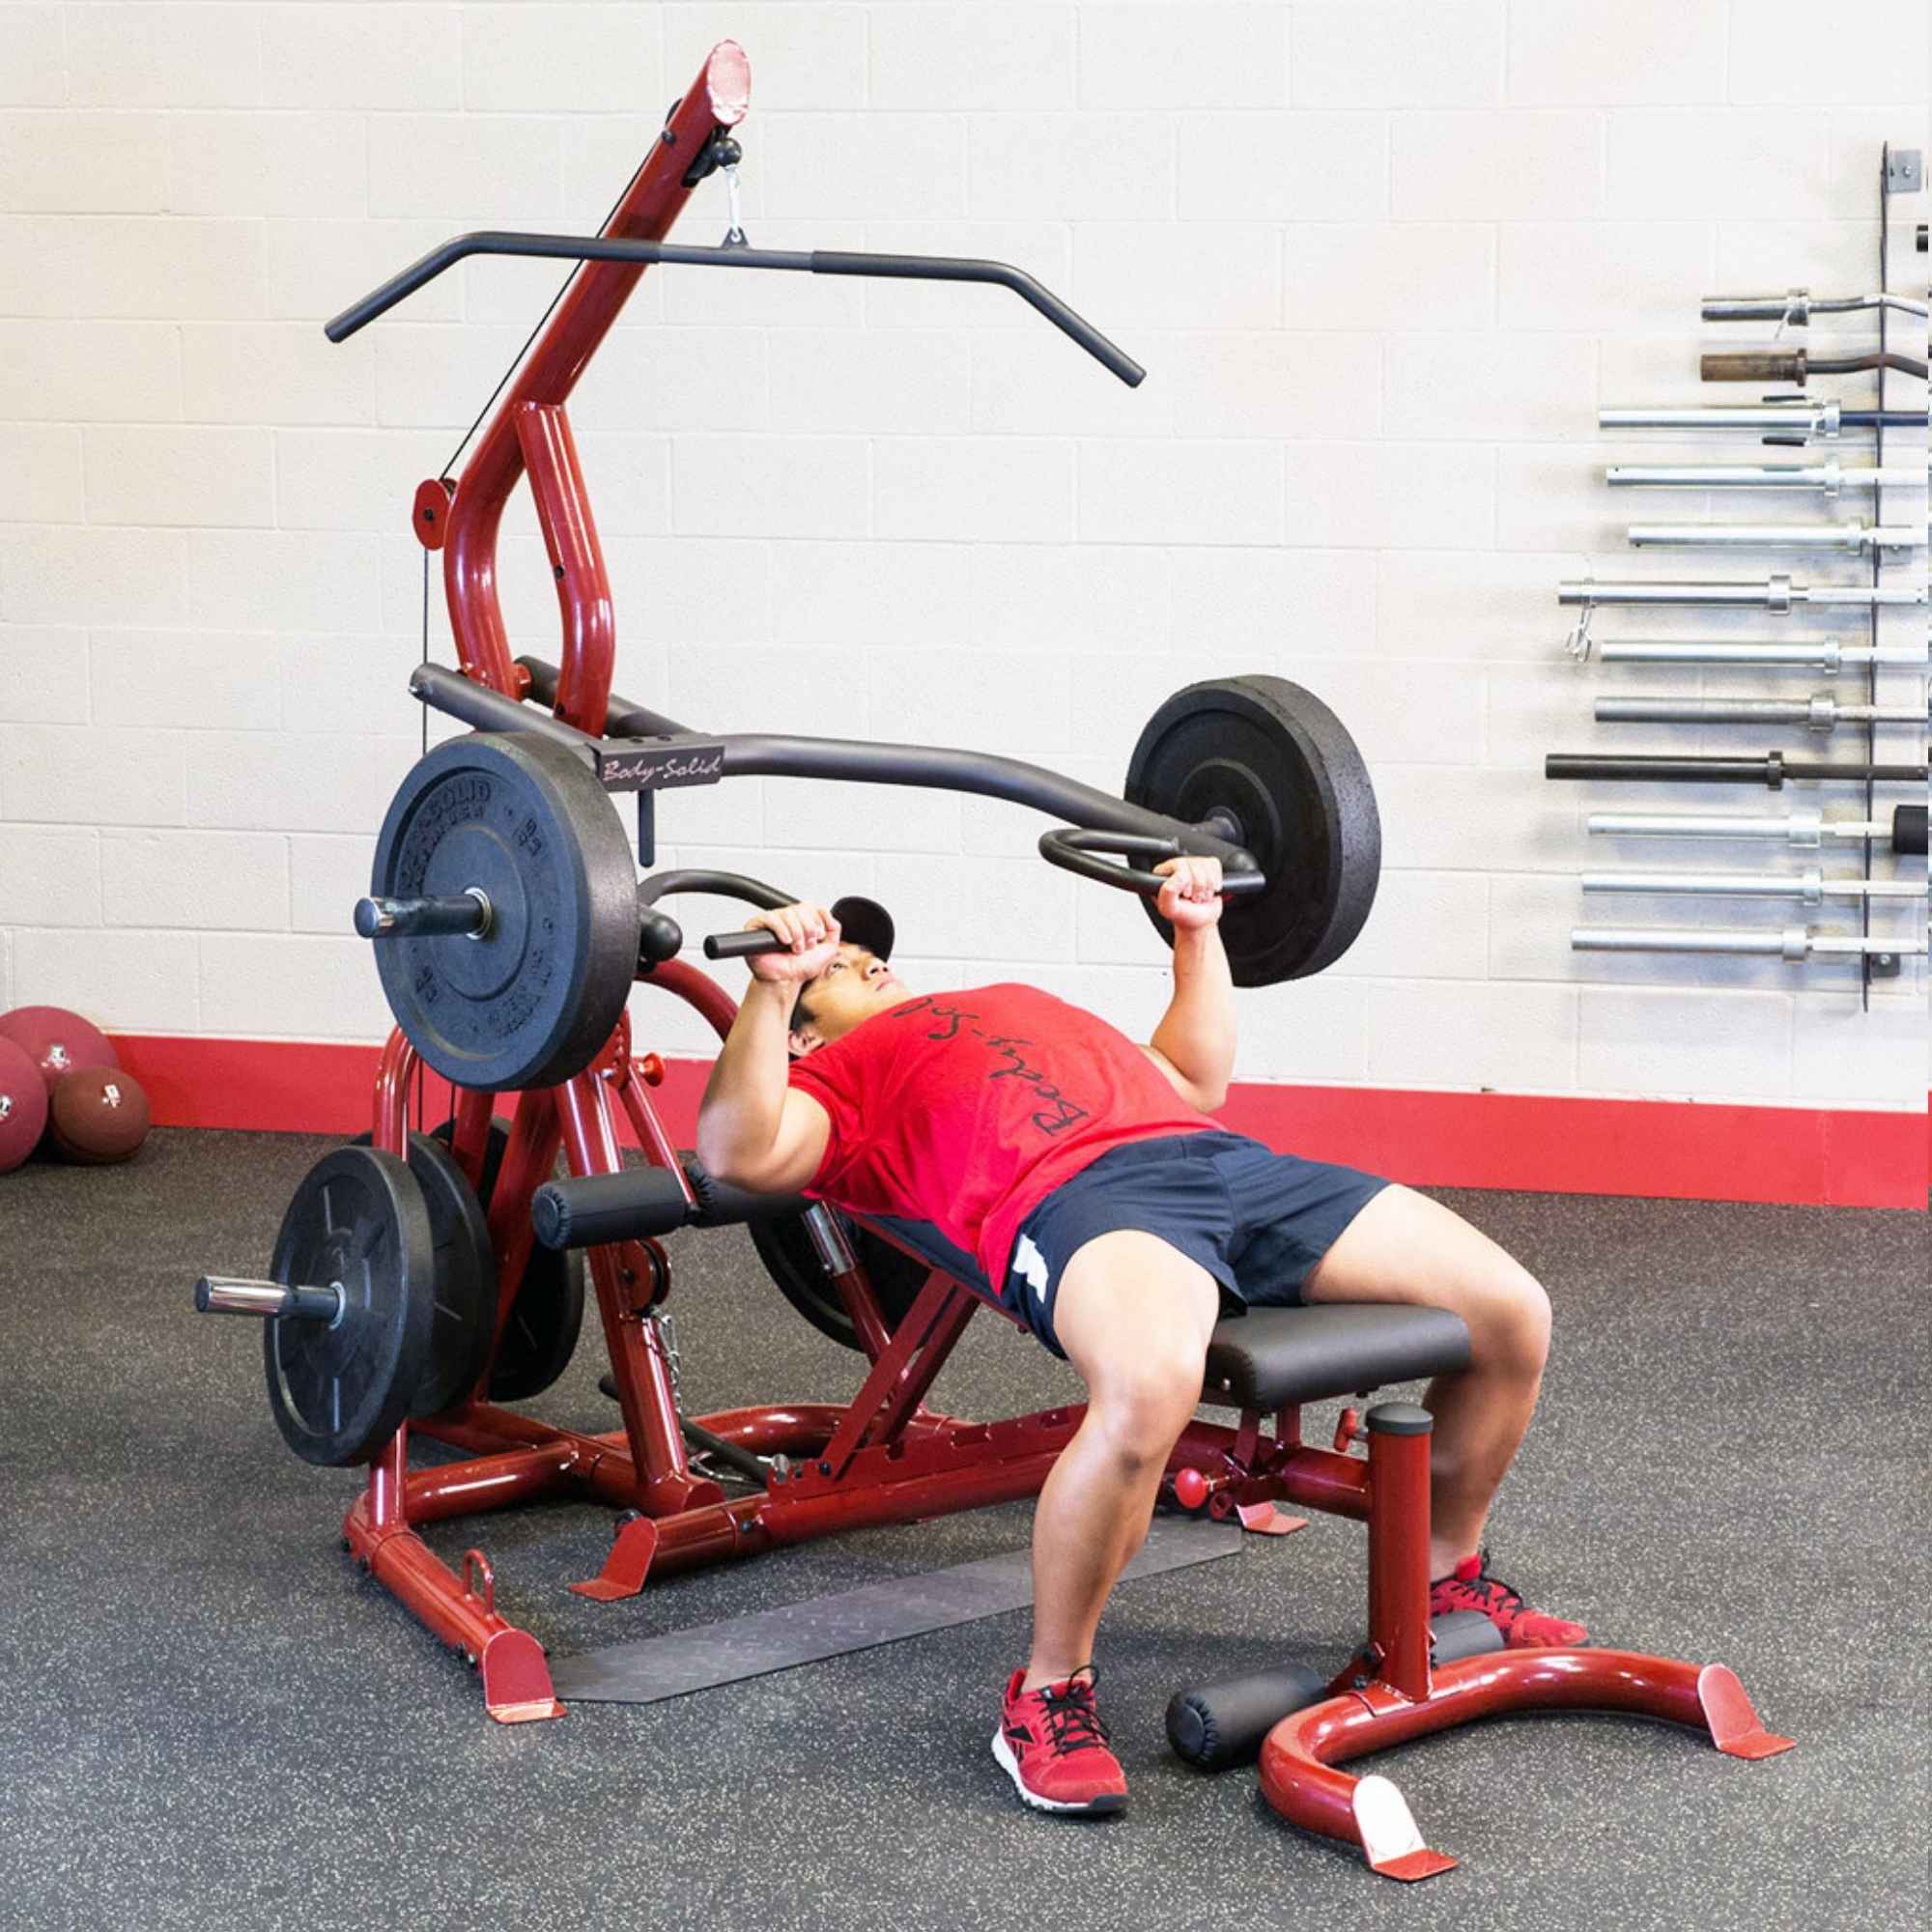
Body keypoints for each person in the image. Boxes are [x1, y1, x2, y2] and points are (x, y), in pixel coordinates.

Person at [694, 863, 1585, 1820]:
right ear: (799, 1032)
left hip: (1223, 1165)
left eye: (869, 955)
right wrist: (772, 983)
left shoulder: (1009, 1001)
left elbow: (1192, 1077)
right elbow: (735, 1153)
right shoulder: (835, 1078)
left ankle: (1444, 1581)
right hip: (1076, 1198)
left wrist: (1194, 932)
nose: (867, 964)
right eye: (840, 969)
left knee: (1508, 1310)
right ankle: (1045, 1694)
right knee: (1149, 1385)